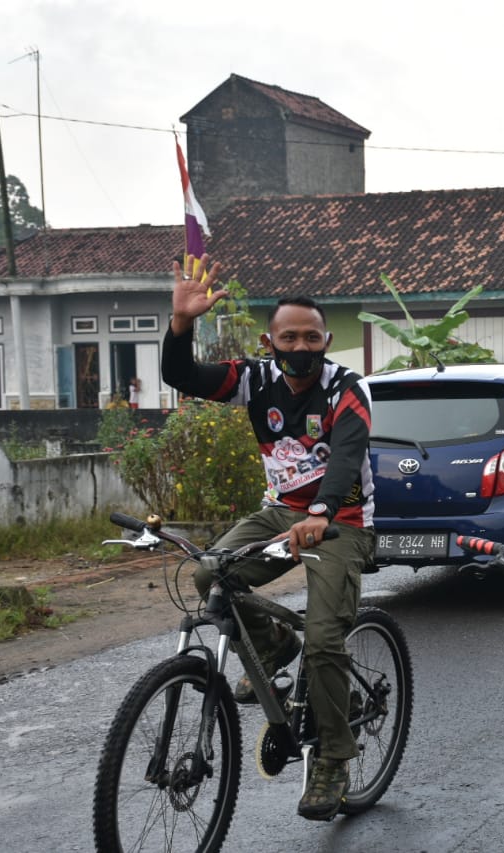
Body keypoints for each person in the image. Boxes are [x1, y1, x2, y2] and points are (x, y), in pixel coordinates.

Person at [160, 253, 376, 821]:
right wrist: (180, 326)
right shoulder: (253, 379)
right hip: (279, 514)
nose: (300, 347)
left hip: (341, 523)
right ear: (269, 339)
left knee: (327, 641)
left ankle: (334, 756)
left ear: (327, 340)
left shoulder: (347, 389)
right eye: (289, 337)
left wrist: (324, 510)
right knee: (211, 572)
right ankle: (277, 648)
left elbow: (347, 457)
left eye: (311, 337)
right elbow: (181, 376)